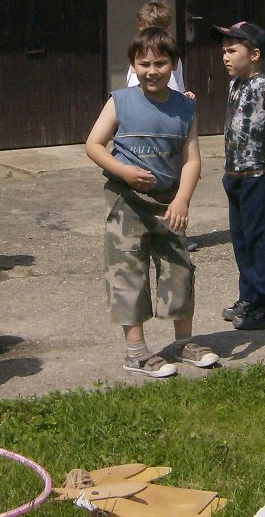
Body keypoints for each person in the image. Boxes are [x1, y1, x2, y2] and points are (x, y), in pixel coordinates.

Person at [85, 27, 218, 379]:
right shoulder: (120, 101)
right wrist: (124, 172)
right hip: (126, 202)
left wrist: (182, 200)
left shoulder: (185, 107)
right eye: (144, 64)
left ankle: (183, 343)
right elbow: (94, 145)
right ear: (133, 65)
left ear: (174, 65)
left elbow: (191, 160)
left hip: (168, 202)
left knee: (179, 268)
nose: (152, 70)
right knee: (128, 271)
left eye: (161, 63)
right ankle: (136, 351)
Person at [212, 20, 265, 331]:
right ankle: (249, 296)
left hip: (257, 175)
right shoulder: (235, 83)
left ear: (255, 54)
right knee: (241, 239)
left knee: (261, 239)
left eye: (232, 50)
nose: (225, 56)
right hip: (235, 175)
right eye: (224, 51)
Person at [125, 0, 187, 94]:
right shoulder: (139, 56)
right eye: (145, 31)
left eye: (160, 63)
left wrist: (183, 97)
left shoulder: (172, 56)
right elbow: (133, 89)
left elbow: (178, 86)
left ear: (168, 30)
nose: (150, 37)